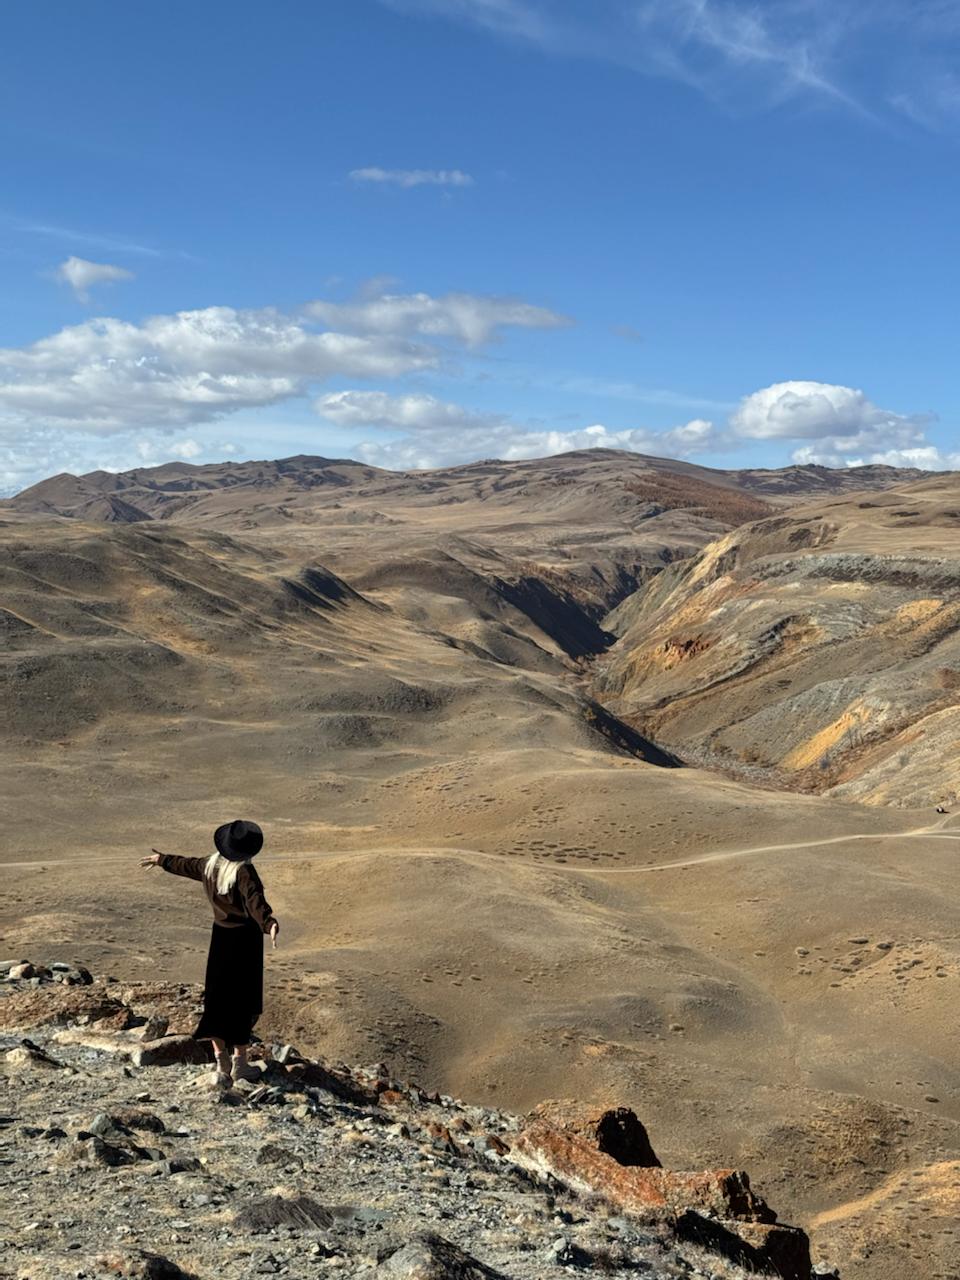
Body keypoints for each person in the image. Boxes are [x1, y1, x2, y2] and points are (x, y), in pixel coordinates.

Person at [140, 819, 279, 1086]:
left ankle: (220, 1059)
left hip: (221, 940)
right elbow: (255, 901)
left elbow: (185, 864)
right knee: (243, 1002)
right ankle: (240, 1063)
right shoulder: (244, 872)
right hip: (245, 943)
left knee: (218, 1001)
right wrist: (269, 923)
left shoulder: (210, 865)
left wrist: (161, 859)